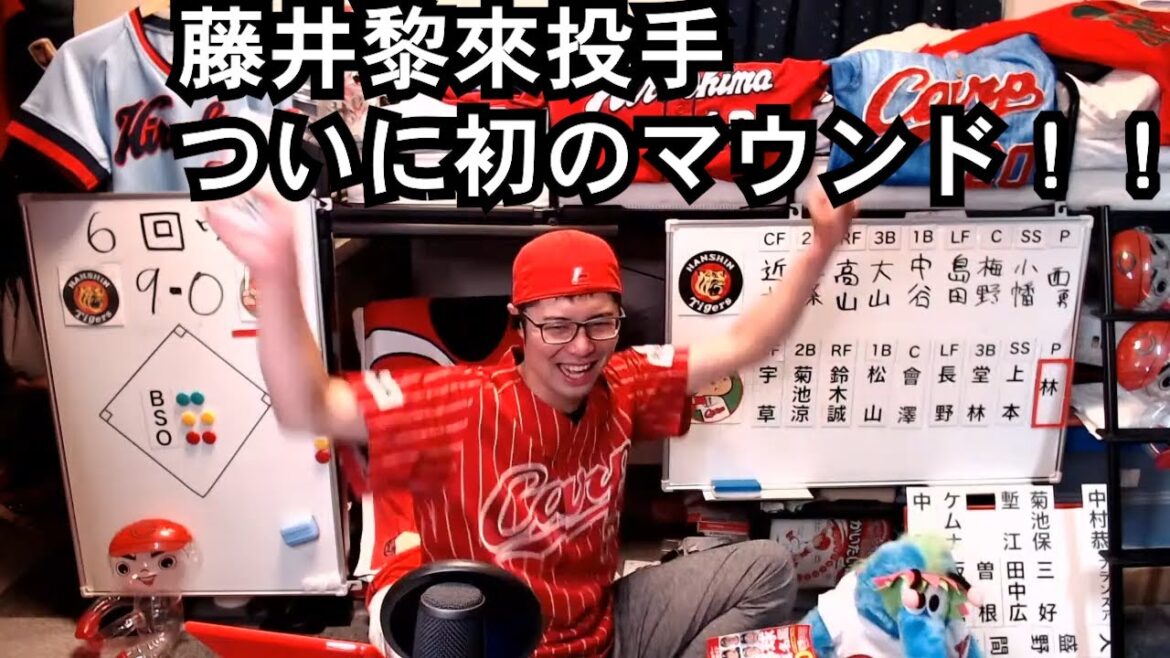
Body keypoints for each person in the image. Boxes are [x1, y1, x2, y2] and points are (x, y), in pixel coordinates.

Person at [203, 184, 857, 658]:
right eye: (557, 326)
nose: (581, 347)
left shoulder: (625, 379)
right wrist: (277, 276)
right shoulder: (461, 402)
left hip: (603, 628)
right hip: (504, 643)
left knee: (769, 567)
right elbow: (310, 406)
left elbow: (743, 344)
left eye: (600, 322)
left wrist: (820, 247)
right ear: (520, 324)